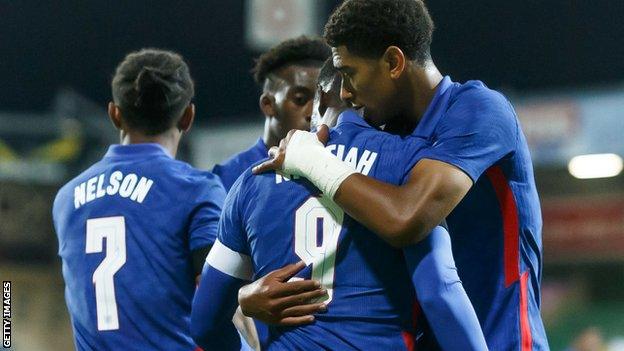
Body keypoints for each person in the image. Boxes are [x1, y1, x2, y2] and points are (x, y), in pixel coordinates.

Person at [252, 0, 549, 350]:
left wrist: (313, 161)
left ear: (393, 63)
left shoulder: (479, 111)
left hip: (501, 340)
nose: (345, 93)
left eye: (350, 74)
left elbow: (407, 219)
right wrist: (248, 296)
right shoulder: (382, 136)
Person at [191, 60, 487, 350]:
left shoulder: (254, 179)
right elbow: (439, 291)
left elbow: (205, 323)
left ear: (320, 102)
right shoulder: (409, 162)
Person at [52, 49, 226, 350]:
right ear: (188, 117)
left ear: (114, 114)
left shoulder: (66, 198)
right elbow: (219, 299)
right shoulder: (197, 189)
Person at [212, 36, 331, 191]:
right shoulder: (228, 177)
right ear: (268, 105)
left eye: (323, 101)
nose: (314, 112)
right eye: (300, 99)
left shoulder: (338, 169)